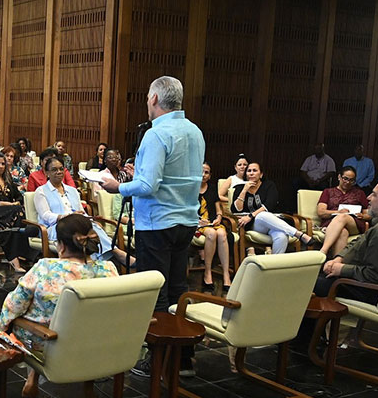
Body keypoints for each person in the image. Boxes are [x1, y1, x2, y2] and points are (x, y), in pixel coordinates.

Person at [99, 75, 203, 374]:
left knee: (156, 290)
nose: (147, 101)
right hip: (186, 220)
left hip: (157, 222)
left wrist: (117, 187)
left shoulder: (156, 134)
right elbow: (176, 177)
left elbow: (148, 186)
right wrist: (140, 175)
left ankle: (158, 360)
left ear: (155, 98)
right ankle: (182, 358)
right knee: (178, 287)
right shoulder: (195, 131)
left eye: (147, 96)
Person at [0, 214, 118, 398]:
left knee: (21, 314)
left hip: (48, 343)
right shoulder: (108, 269)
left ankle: (31, 375)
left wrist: (3, 329)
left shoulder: (46, 268)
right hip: (97, 342)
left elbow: (14, 305)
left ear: (61, 245)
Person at [294, 178, 378, 349]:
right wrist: (339, 257)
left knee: (306, 281)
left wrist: (342, 269)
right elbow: (360, 241)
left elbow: (376, 276)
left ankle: (305, 343)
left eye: (374, 195)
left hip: (376, 291)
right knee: (312, 270)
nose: (369, 198)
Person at [37, 156, 133, 268]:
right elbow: (46, 216)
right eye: (54, 170)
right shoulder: (41, 191)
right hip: (56, 227)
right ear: (46, 173)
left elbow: (82, 212)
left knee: (93, 227)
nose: (59, 172)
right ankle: (112, 255)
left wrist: (89, 220)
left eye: (61, 169)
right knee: (80, 229)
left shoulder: (72, 190)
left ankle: (98, 261)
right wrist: (68, 216)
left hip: (76, 223)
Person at [232, 161, 316, 254]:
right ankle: (298, 234)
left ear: (261, 174)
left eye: (254, 170)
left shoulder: (269, 185)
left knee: (282, 236)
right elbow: (237, 209)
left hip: (272, 222)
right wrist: (244, 190)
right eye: (249, 171)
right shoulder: (239, 188)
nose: (251, 173)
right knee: (262, 215)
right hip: (253, 225)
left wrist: (251, 215)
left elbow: (270, 205)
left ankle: (274, 262)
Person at [0, 152, 36, 272]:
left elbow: (18, 195)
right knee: (18, 214)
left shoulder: (7, 178)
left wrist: (17, 202)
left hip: (10, 211)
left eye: (3, 164)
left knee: (19, 213)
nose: (1, 166)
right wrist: (3, 203)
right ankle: (18, 255)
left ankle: (16, 255)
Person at [317, 166, 369, 257]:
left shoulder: (359, 193)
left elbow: (369, 214)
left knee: (343, 217)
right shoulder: (327, 192)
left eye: (351, 180)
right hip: (331, 223)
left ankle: (323, 251)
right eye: (345, 178)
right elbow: (321, 212)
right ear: (339, 177)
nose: (348, 182)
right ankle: (336, 262)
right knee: (342, 232)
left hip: (354, 223)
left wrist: (363, 216)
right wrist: (338, 212)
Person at [196, 163, 232, 290]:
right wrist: (198, 220)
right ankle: (208, 272)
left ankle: (226, 274)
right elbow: (186, 210)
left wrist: (219, 217)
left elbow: (218, 209)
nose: (203, 175)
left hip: (212, 222)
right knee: (211, 233)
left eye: (206, 172)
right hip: (197, 224)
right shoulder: (191, 188)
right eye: (201, 171)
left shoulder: (212, 188)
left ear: (210, 175)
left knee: (221, 233)